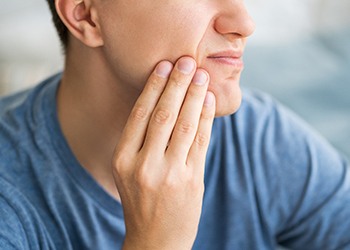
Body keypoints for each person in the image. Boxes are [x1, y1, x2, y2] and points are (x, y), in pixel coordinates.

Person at [1, 0, 349, 249]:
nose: (244, 23)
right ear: (86, 16)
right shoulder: (10, 200)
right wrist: (156, 242)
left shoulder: (255, 137)